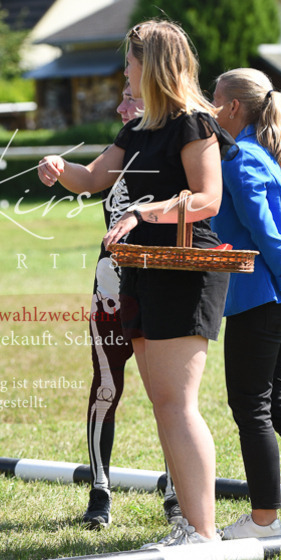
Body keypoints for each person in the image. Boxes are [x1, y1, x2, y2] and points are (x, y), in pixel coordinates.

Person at [38, 19, 229, 547]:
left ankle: (202, 531)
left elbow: (207, 198)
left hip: (185, 272)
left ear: (155, 66)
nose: (125, 71)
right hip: (142, 272)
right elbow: (95, 178)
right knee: (165, 403)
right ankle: (190, 526)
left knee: (178, 403)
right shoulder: (139, 129)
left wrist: (146, 211)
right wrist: (60, 167)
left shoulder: (194, 123)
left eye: (131, 62)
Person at [82, 84, 179, 529]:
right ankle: (99, 490)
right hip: (111, 284)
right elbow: (86, 179)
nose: (121, 107)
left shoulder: (174, 149)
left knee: (170, 395)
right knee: (106, 386)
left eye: (131, 98)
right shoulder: (116, 150)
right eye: (122, 96)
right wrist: (61, 168)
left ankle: (178, 490)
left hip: (160, 283)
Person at [212, 68, 281, 539]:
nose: (209, 107)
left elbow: (269, 237)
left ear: (234, 107)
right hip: (265, 297)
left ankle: (264, 522)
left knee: (251, 407)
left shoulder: (241, 159)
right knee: (277, 406)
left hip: (260, 299)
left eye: (214, 99)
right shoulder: (256, 155)